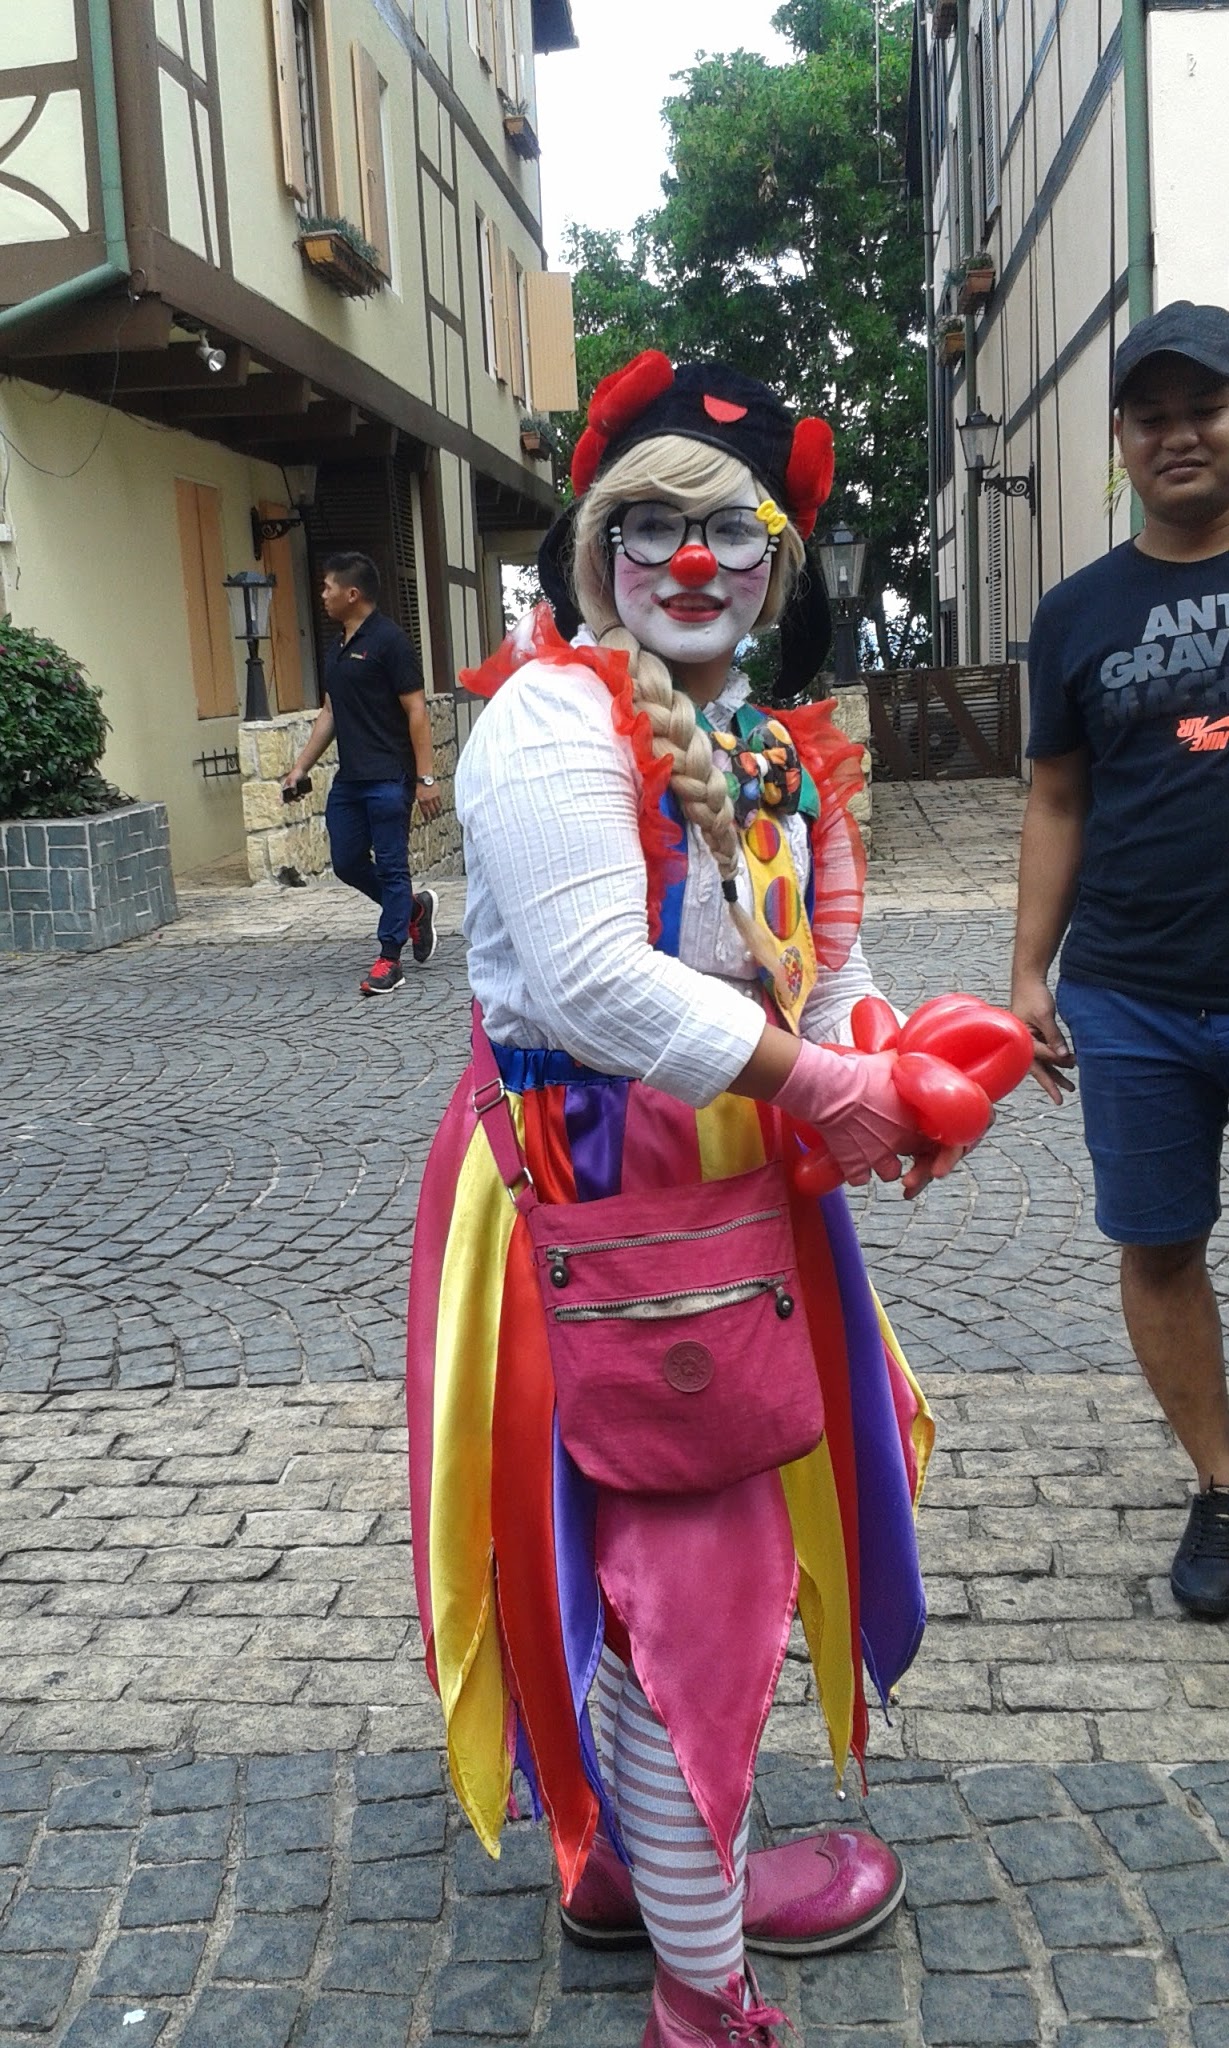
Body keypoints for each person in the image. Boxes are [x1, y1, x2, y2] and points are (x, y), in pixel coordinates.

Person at [407, 355, 966, 2046]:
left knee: (631, 1541)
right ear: (591, 551)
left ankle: (626, 1858)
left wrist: (899, 1055)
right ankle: (701, 1992)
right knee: (689, 1573)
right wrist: (828, 1089)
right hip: (601, 1184)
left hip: (736, 1185)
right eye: (643, 521)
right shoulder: (553, 715)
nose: (687, 555)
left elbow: (830, 964)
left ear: (778, 555)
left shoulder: (764, 741)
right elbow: (585, 980)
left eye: (724, 523)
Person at [1012, 300, 1229, 1620]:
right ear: (1121, 441)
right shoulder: (1077, 611)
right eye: (1150, 416)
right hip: (1134, 987)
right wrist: (1028, 973)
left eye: (1201, 407)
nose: (1179, 434)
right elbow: (1054, 799)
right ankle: (1222, 1484)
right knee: (1157, 1246)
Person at [284, 551, 442, 996]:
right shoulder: (337, 648)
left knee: (392, 866)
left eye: (328, 587)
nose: (323, 594)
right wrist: (299, 767)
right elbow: (331, 710)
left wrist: (425, 778)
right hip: (351, 780)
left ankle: (390, 958)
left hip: (389, 776)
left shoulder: (390, 642)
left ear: (352, 594)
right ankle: (412, 911)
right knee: (347, 862)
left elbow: (416, 710)